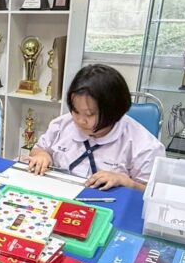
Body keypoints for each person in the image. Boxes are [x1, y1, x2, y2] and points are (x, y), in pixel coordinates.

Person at [28, 64, 165, 191]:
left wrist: (124, 181)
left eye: (89, 114)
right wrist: (41, 155)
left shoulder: (146, 147)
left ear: (113, 111)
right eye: (75, 111)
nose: (80, 120)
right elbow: (38, 149)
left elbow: (152, 193)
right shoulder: (62, 124)